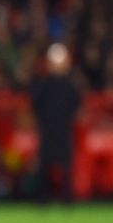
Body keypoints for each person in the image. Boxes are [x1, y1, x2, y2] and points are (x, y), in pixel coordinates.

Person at [30, 43, 80, 203]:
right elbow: (34, 107)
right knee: (45, 168)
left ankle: (66, 199)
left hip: (63, 132)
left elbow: (76, 108)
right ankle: (43, 199)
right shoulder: (43, 86)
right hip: (48, 132)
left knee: (65, 168)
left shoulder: (70, 87)